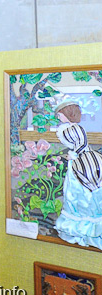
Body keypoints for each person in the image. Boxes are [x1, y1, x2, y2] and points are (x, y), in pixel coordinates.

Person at [53, 102, 102, 250]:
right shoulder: (72, 128)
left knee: (79, 192)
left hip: (81, 162)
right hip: (80, 160)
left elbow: (81, 145)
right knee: (77, 192)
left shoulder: (73, 129)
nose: (59, 117)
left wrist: (73, 155)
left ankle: (87, 227)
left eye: (60, 115)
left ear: (67, 114)